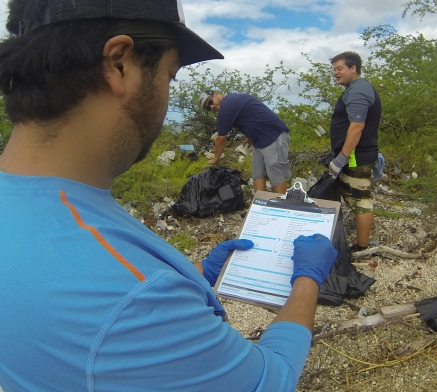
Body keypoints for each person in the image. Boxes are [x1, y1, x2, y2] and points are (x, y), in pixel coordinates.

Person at [0, 1, 338, 391]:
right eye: (170, 76)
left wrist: (192, 277)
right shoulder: (134, 301)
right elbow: (271, 377)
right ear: (119, 64)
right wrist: (307, 279)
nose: (166, 92)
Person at [328, 51, 382, 252]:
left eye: (340, 68)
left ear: (353, 68)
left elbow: (357, 126)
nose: (336, 73)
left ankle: (362, 247)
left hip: (355, 157)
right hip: (356, 154)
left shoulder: (358, 90)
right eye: (334, 69)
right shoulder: (356, 88)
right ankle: (363, 242)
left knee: (361, 199)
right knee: (356, 196)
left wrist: (341, 158)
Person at [199, 90, 291, 194]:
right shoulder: (232, 100)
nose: (211, 107)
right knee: (258, 174)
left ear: (215, 94)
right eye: (208, 108)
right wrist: (249, 136)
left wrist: (216, 159)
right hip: (259, 140)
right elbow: (252, 117)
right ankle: (259, 205)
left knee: (275, 176)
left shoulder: (226, 106)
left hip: (273, 136)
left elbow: (221, 138)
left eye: (210, 102)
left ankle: (284, 208)